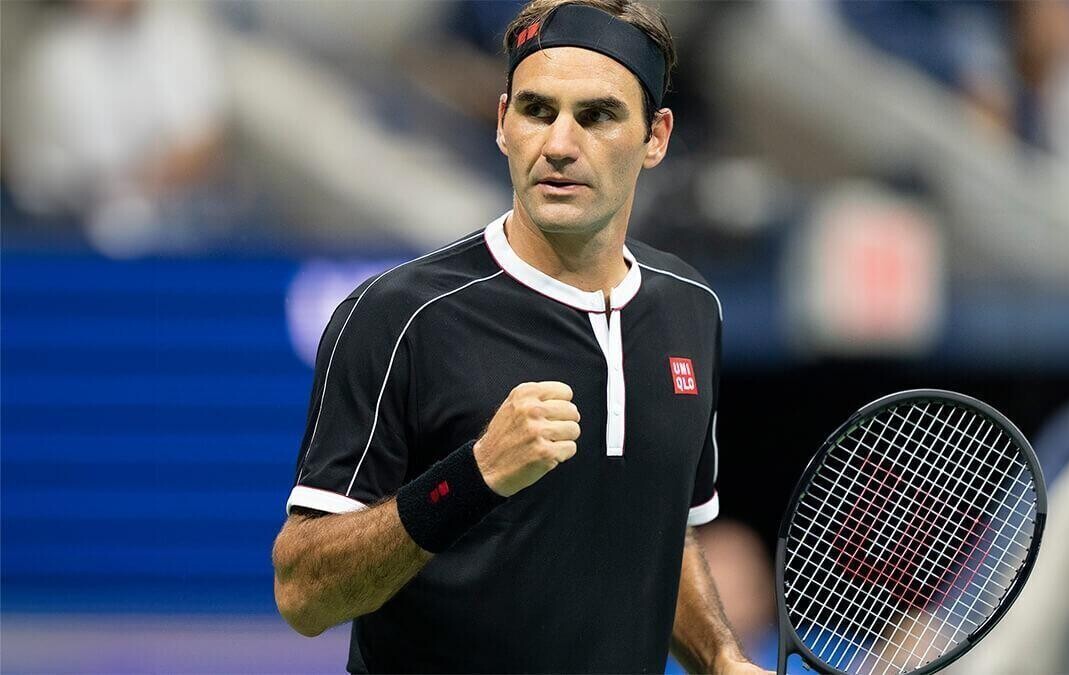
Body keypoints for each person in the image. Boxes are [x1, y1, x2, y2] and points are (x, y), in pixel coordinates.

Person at [270, 1, 767, 673]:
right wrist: (471, 477)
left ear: (656, 137)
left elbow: (660, 532)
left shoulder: (690, 309)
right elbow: (303, 593)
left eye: (597, 116)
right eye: (537, 110)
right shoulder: (398, 316)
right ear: (503, 122)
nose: (559, 143)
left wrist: (720, 657)